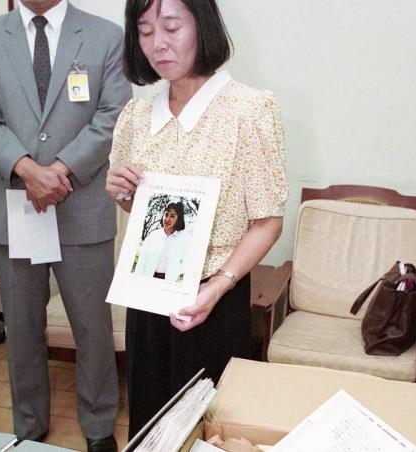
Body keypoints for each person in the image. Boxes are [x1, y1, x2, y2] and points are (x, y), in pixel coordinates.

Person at [106, 0, 288, 437]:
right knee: (150, 424)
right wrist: (123, 193)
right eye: (145, 31)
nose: (158, 44)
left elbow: (267, 221)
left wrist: (218, 286)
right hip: (148, 293)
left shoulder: (247, 110)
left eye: (171, 27)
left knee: (206, 427)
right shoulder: (136, 115)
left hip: (214, 298)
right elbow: (143, 211)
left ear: (202, 28)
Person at [0, 0, 131, 450]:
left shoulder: (105, 35)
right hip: (17, 205)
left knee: (93, 328)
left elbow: (113, 114)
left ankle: (99, 425)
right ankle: (29, 425)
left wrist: (59, 170)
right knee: (21, 328)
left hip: (82, 205)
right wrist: (26, 169)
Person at [134, 201, 192, 281]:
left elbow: (187, 262)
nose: (167, 219)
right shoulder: (153, 235)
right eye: (166, 214)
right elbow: (142, 260)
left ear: (178, 219)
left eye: (172, 216)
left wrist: (175, 273)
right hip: (147, 277)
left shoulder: (185, 238)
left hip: (168, 281)